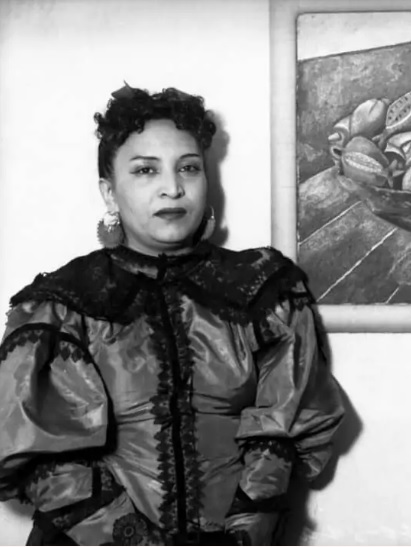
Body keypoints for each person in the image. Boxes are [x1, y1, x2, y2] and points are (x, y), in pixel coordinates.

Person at [0, 84, 345, 546]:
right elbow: (47, 463)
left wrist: (243, 533)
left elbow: (286, 429)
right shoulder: (63, 305)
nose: (173, 187)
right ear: (109, 193)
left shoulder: (263, 290)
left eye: (188, 167)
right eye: (146, 170)